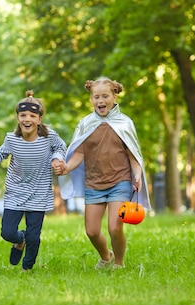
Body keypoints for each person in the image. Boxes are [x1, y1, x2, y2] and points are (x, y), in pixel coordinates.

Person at [58, 77, 151, 270]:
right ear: (91, 99)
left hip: (120, 181)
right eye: (96, 97)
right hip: (94, 183)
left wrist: (137, 175)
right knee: (91, 231)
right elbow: (80, 152)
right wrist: (67, 167)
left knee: (114, 227)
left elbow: (132, 153)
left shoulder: (124, 123)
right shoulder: (86, 123)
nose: (100, 101)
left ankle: (119, 263)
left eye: (105, 96)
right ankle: (106, 256)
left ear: (114, 96)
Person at [0, 91, 67, 272]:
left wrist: (57, 158)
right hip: (15, 191)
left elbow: (60, 146)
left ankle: (27, 268)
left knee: (34, 237)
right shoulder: (12, 138)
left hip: (39, 192)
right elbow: (0, 152)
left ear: (40, 119)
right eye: (23, 115)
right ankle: (20, 240)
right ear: (17, 118)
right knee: (7, 232)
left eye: (32, 116)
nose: (27, 119)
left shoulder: (48, 137)